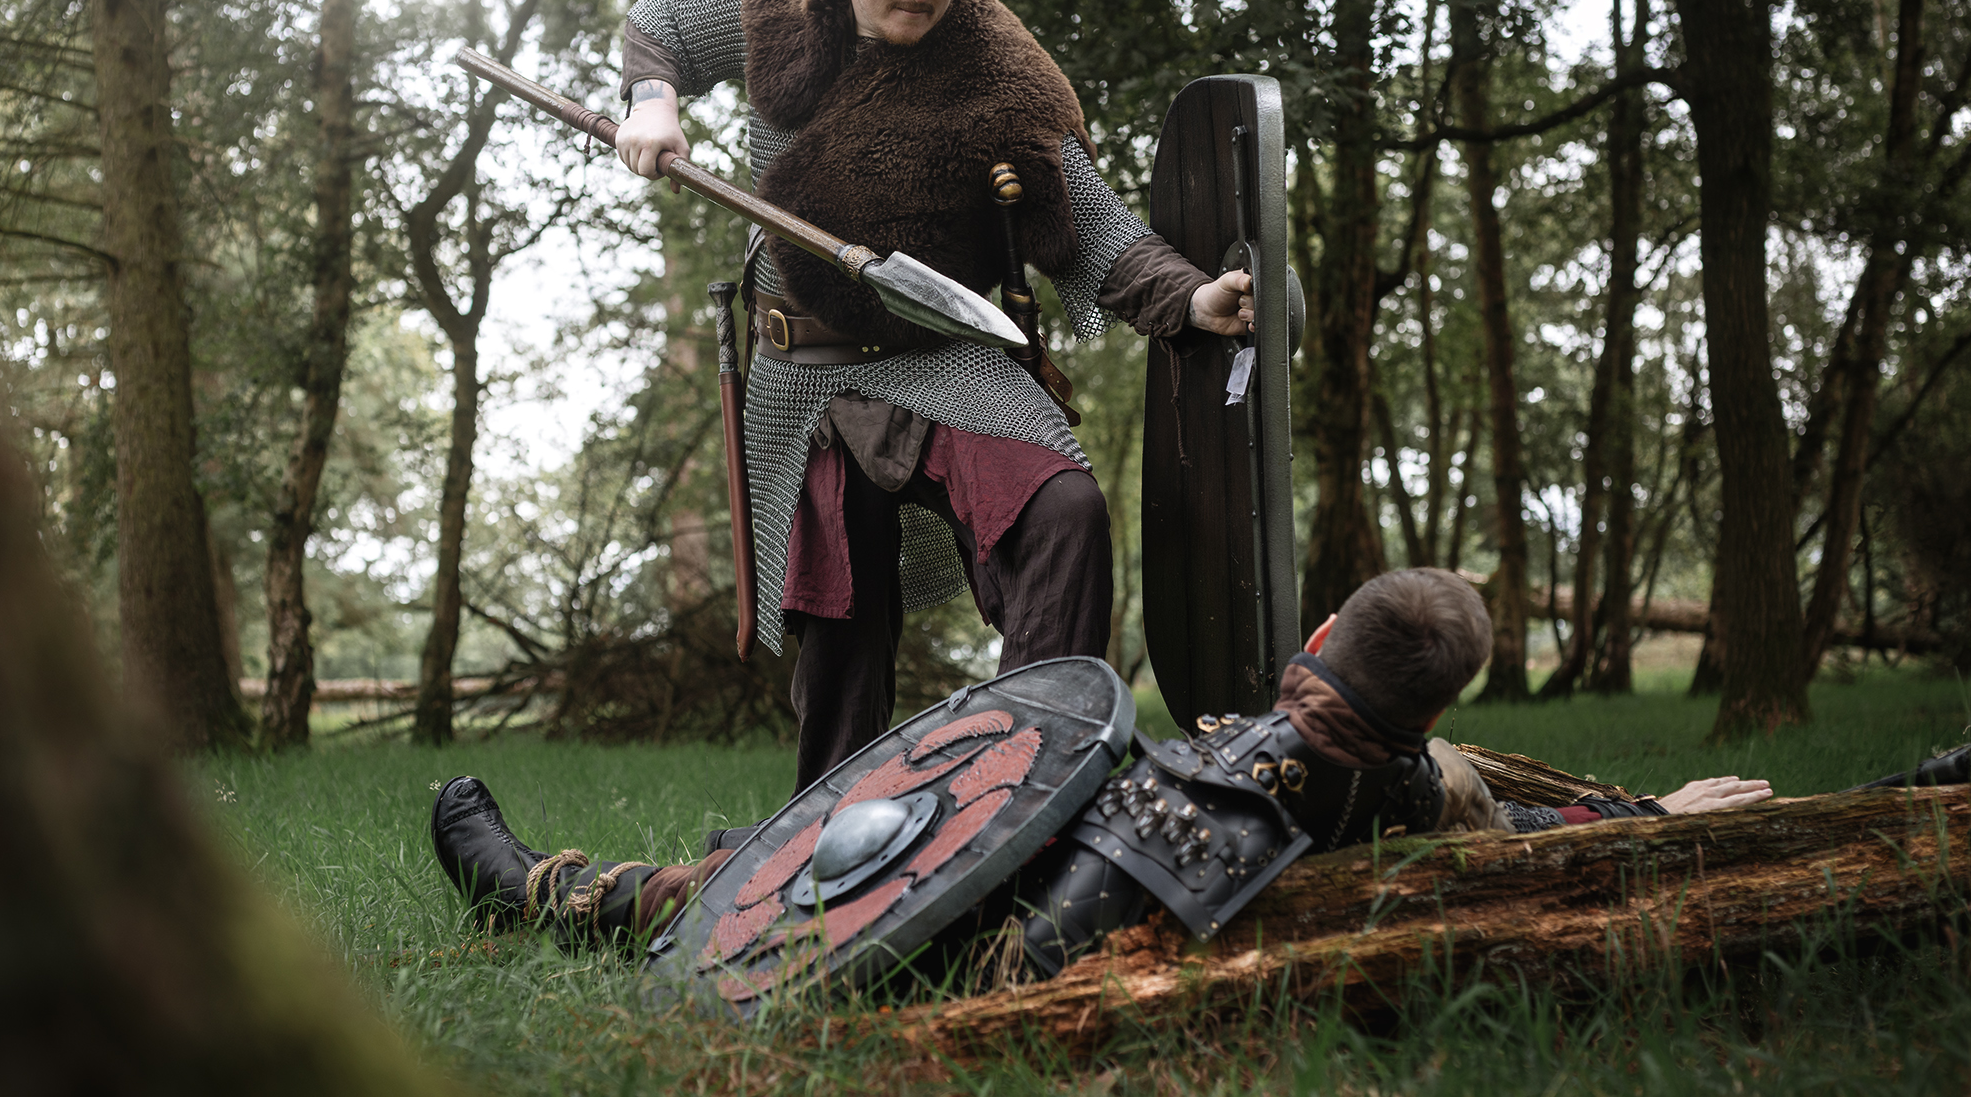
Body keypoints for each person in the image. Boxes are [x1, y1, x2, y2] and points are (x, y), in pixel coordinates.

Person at [611, 0, 1251, 793]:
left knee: (1063, 511)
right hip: (802, 372)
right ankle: (825, 848)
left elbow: (1092, 228)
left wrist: (1192, 298)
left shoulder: (1003, 69)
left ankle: (1033, 785)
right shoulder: (777, 1)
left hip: (941, 354)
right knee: (841, 632)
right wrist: (653, 103)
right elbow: (661, 19)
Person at [429, 569, 1810, 972]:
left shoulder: (1222, 785)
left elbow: (1022, 962)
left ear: (1316, 642)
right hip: (1038, 876)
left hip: (980, 939)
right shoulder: (1419, 788)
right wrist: (1652, 812)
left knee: (766, 870)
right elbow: (1520, 814)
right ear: (1434, 711)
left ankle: (549, 891)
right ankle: (577, 888)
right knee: (795, 842)